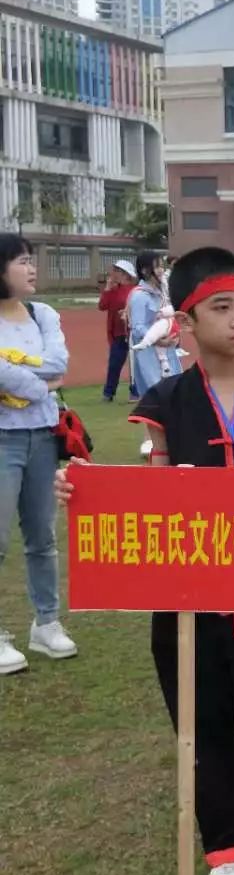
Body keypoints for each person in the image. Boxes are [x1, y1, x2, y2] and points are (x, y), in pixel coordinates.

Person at [63, 246, 234, 875]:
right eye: (222, 308)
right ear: (184, 324)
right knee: (201, 720)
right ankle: (228, 846)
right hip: (186, 600)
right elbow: (154, 491)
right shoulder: (166, 400)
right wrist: (84, 494)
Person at [0, 236, 77, 674]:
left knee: (42, 538)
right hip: (2, 438)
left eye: (32, 261)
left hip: (43, 436)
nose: (32, 268)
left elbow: (58, 365)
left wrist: (18, 379)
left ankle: (46, 623)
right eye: (23, 261)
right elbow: (42, 376)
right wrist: (38, 385)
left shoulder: (42, 313)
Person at [128, 251, 181, 398]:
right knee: (156, 397)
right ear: (145, 270)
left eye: (162, 266)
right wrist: (159, 340)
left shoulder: (161, 292)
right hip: (149, 353)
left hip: (167, 350)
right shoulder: (139, 296)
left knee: (173, 392)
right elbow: (138, 328)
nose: (161, 270)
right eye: (157, 267)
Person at [98, 258, 138, 402]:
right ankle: (109, 393)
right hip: (118, 333)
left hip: (132, 332)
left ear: (125, 274)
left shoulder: (135, 291)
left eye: (116, 271)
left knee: (135, 365)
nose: (113, 273)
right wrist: (107, 288)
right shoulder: (114, 290)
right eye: (114, 270)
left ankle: (135, 392)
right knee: (114, 363)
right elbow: (102, 306)